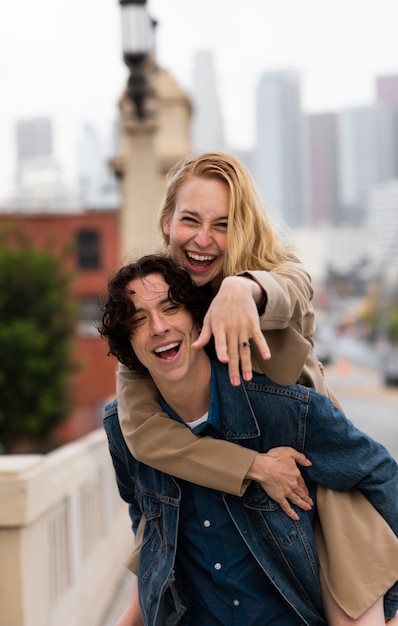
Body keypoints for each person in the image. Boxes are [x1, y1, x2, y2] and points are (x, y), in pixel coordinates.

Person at [116, 152, 398, 622]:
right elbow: (142, 434)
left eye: (222, 224)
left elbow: (295, 289)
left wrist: (244, 290)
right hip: (240, 491)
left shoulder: (270, 278)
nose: (203, 239)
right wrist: (255, 467)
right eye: (190, 220)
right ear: (167, 221)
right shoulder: (150, 316)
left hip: (319, 477)